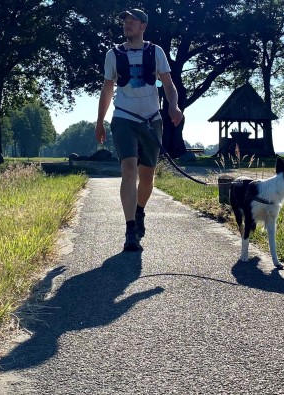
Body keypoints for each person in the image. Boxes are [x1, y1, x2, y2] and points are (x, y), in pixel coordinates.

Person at [96, 8, 183, 252]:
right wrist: (99, 121)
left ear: (144, 26)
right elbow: (107, 89)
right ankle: (130, 230)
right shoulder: (113, 54)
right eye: (125, 21)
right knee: (128, 169)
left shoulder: (156, 52)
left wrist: (174, 107)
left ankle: (140, 210)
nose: (127, 24)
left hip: (152, 120)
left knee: (147, 176)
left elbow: (168, 84)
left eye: (133, 21)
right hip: (124, 117)